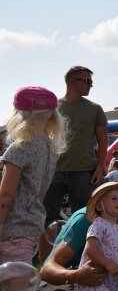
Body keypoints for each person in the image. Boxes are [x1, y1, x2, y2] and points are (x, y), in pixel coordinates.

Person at [42, 66, 108, 260]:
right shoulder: (52, 108)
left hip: (83, 172)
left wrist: (99, 166)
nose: (90, 86)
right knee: (47, 219)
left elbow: (103, 140)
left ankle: (80, 263)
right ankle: (47, 267)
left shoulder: (95, 109)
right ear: (72, 82)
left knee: (84, 219)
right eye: (87, 81)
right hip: (54, 171)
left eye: (91, 82)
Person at [0, 87, 66, 265]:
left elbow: (5, 196)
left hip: (9, 229)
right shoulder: (50, 148)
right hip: (30, 225)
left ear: (20, 114)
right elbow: (40, 192)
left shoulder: (20, 147)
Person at [76, 182, 118, 291]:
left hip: (112, 274)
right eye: (114, 198)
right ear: (99, 206)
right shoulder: (98, 225)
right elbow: (90, 249)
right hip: (99, 275)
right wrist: (107, 263)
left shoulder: (116, 225)